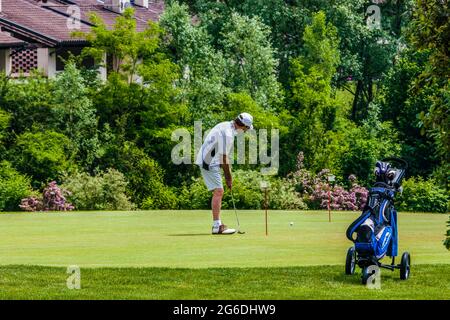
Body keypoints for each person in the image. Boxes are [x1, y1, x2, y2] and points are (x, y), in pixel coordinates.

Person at [195, 113, 254, 234]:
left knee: (218, 191)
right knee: (219, 191)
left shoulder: (225, 125)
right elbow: (224, 158)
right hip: (208, 161)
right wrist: (229, 178)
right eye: (246, 128)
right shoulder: (228, 134)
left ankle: (217, 225)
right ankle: (217, 226)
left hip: (209, 159)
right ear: (243, 126)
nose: (246, 131)